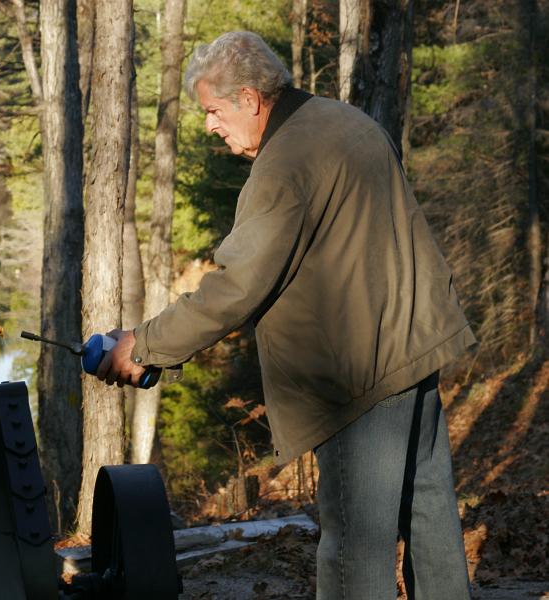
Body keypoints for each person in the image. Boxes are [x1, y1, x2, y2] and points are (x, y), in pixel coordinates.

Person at [98, 31, 475, 599]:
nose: (210, 126)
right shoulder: (345, 121)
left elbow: (236, 287)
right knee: (429, 513)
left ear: (250, 99)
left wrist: (143, 345)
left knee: (355, 548)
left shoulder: (284, 165)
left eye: (213, 111)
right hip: (415, 345)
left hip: (356, 377)